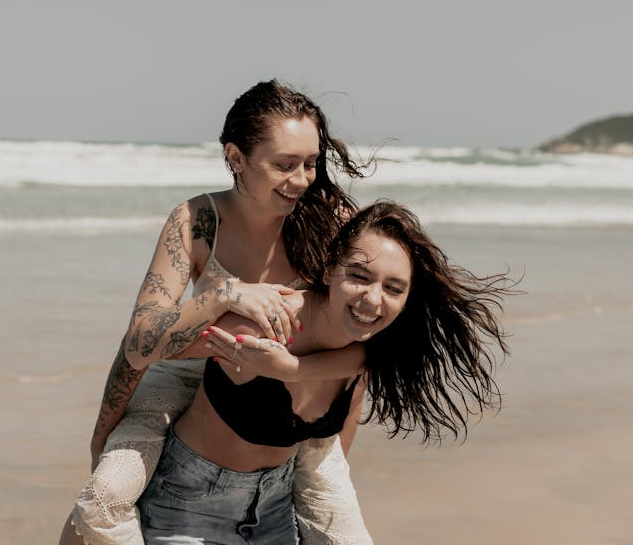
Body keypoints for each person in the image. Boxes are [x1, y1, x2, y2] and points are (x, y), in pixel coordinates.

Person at [59, 80, 373, 545]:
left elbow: (368, 344)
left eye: (310, 162)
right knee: (101, 498)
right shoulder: (195, 221)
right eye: (284, 165)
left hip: (301, 385)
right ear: (235, 157)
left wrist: (326, 446)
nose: (303, 179)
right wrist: (225, 295)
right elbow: (141, 338)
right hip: (189, 374)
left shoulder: (332, 222)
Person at [136, 201, 511, 543]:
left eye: (393, 288)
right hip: (190, 505)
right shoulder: (263, 324)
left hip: (276, 511)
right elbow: (142, 352)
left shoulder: (369, 349)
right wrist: (105, 439)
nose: (373, 299)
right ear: (331, 269)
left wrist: (291, 370)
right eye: (360, 277)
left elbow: (341, 436)